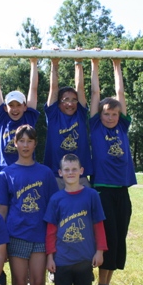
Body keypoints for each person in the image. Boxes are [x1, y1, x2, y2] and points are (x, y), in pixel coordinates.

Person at [0, 125, 58, 285]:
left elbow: (53, 209)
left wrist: (53, 242)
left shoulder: (45, 173)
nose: (26, 145)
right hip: (16, 236)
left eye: (30, 141)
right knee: (19, 284)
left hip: (40, 237)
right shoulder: (6, 174)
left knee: (38, 283)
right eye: (22, 141)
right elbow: (2, 211)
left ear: (35, 144)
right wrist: (0, 242)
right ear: (15, 144)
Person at [44, 154, 107, 285]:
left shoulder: (91, 195)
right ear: (60, 173)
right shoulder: (56, 199)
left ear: (81, 171)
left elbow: (98, 224)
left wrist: (100, 250)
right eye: (66, 170)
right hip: (62, 261)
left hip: (84, 260)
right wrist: (50, 256)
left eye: (74, 169)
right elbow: (51, 230)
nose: (70, 173)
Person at [89, 57, 137, 285]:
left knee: (119, 240)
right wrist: (95, 64)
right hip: (102, 189)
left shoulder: (123, 127)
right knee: (105, 240)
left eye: (114, 114)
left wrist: (117, 66)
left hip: (122, 190)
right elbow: (96, 93)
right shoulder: (96, 127)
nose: (110, 117)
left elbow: (120, 94)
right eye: (106, 113)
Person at [43, 56, 93, 189]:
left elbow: (80, 88)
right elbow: (53, 88)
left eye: (74, 100)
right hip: (56, 176)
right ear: (58, 103)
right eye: (66, 100)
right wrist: (54, 63)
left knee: (84, 203)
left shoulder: (80, 115)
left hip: (80, 176)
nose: (70, 103)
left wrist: (78, 63)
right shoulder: (53, 116)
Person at [0, 56, 39, 174]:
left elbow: (33, 88)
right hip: (4, 172)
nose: (15, 109)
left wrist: (33, 62)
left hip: (26, 172)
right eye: (11, 105)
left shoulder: (29, 118)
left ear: (25, 107)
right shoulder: (2, 119)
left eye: (18, 105)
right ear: (5, 108)